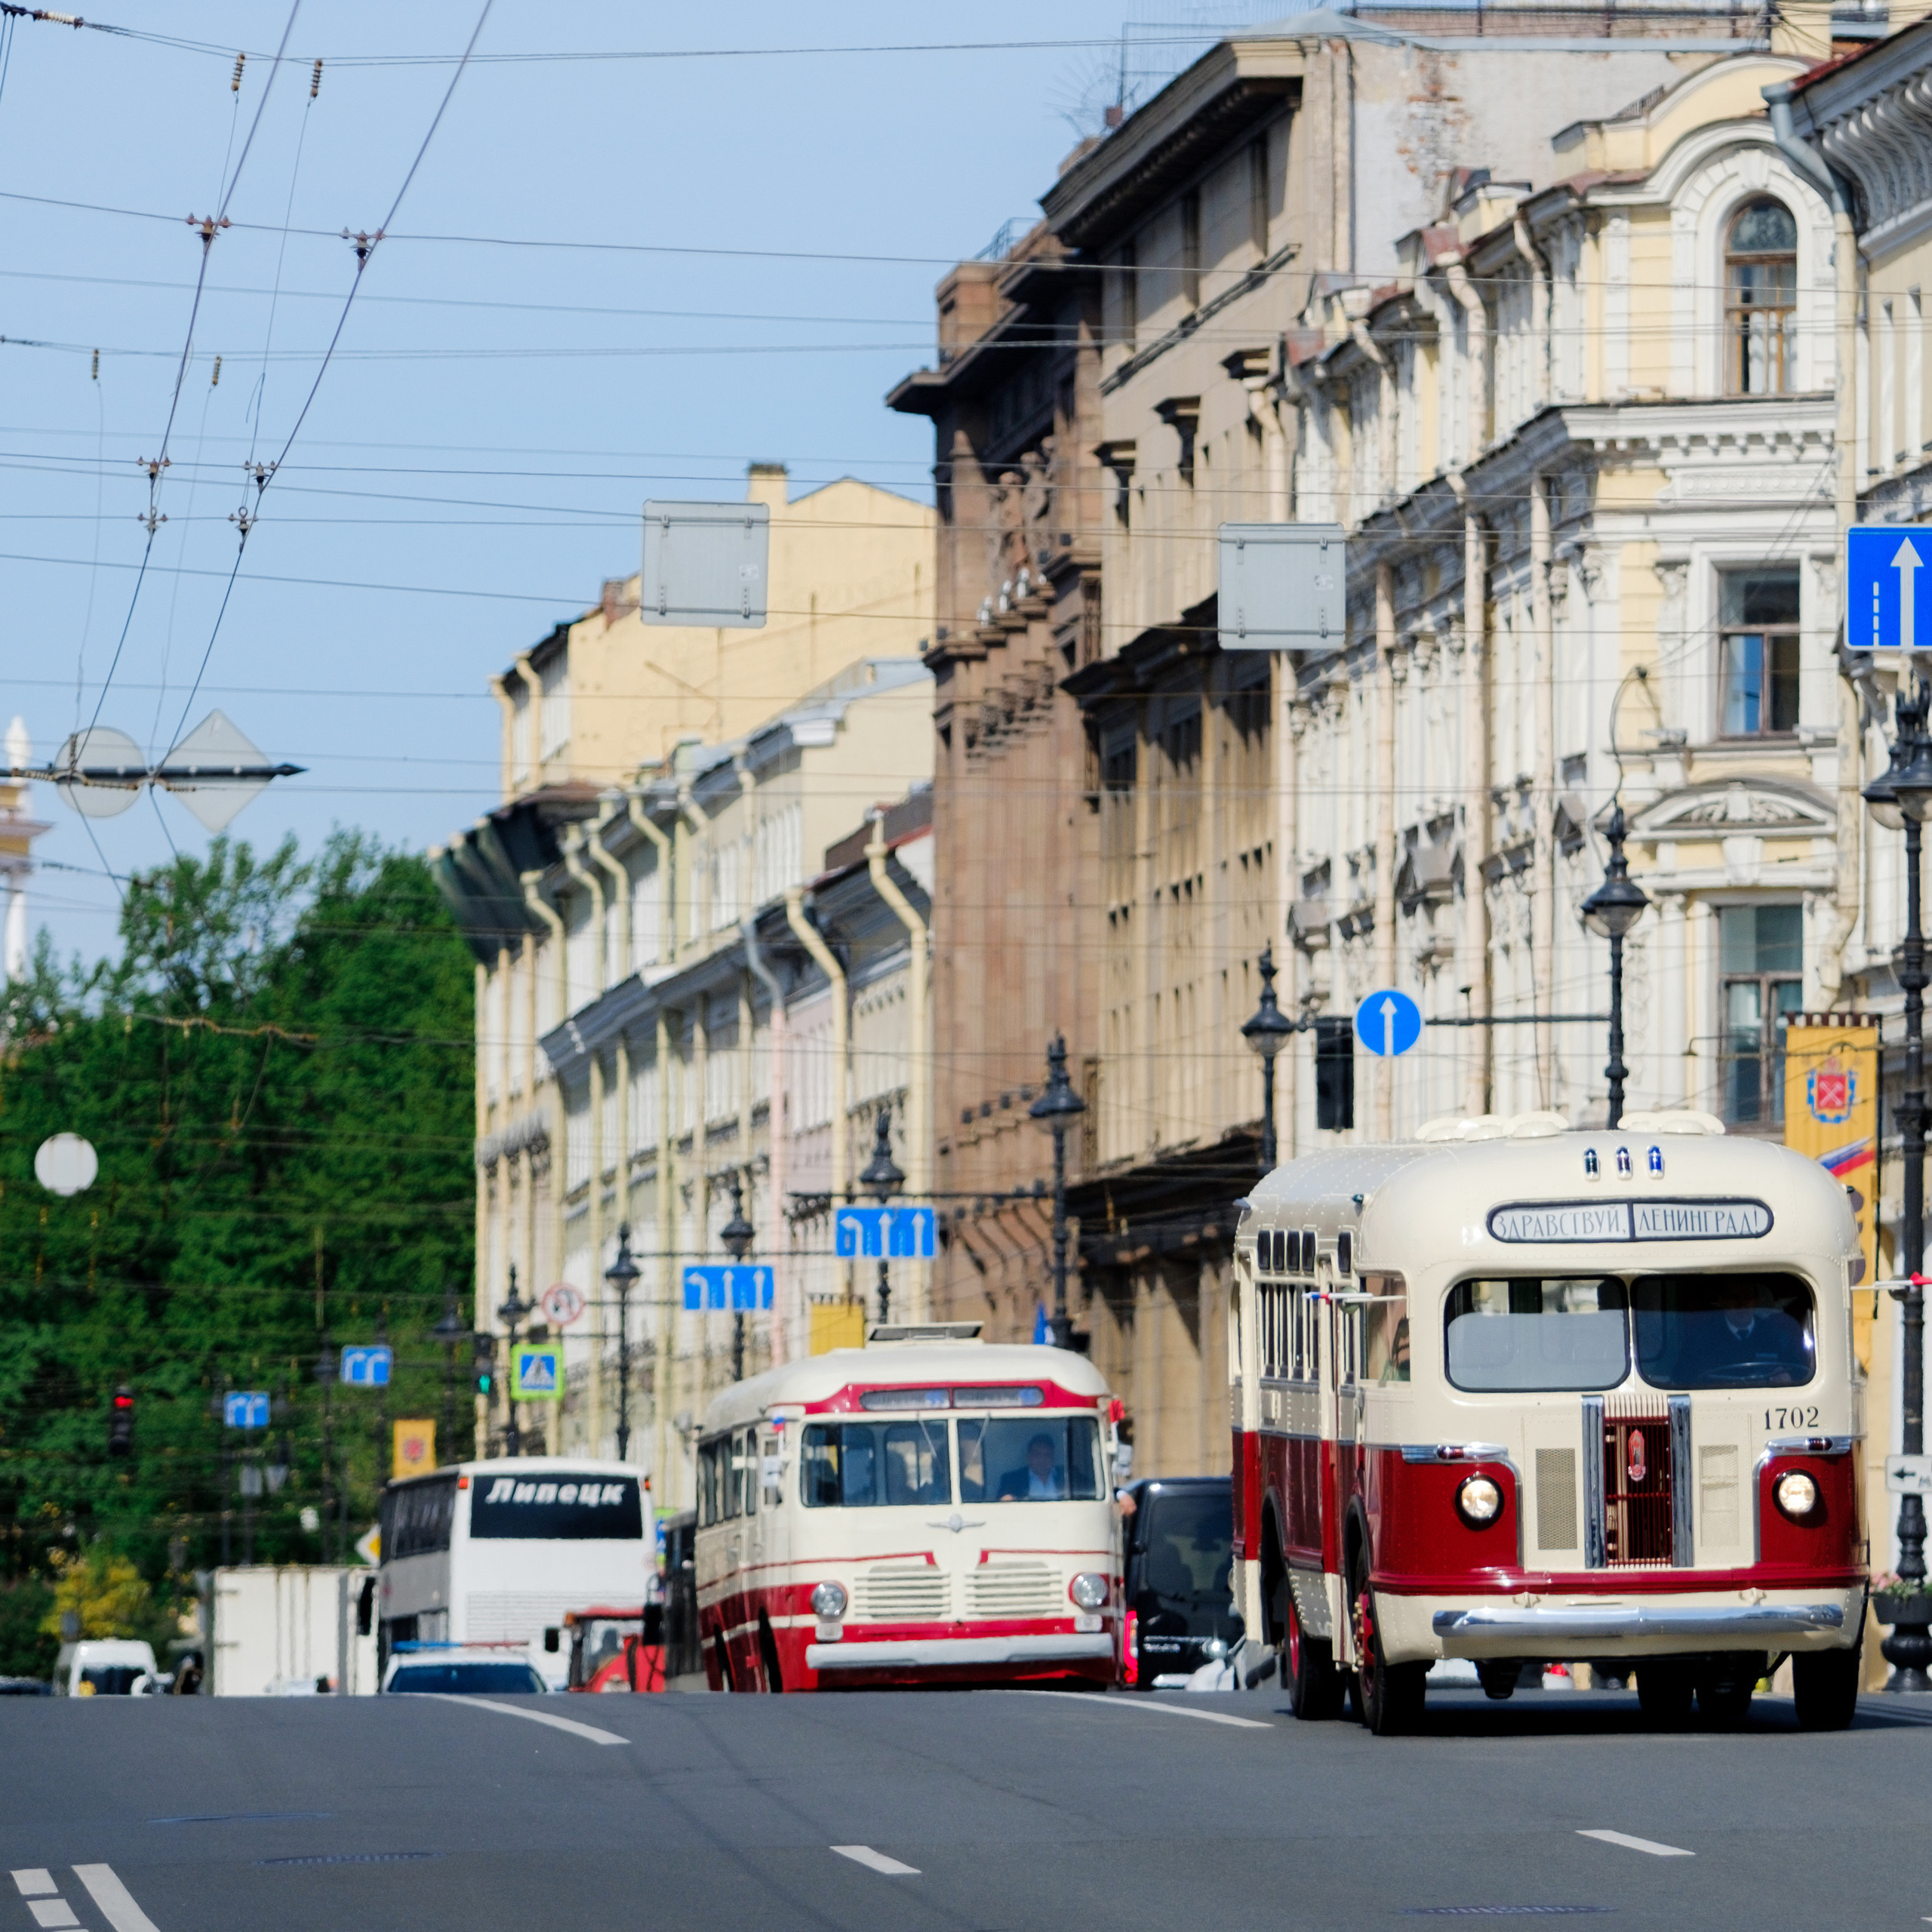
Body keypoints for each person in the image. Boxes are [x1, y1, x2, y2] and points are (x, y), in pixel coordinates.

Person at [997, 1432, 1064, 1500]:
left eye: (1047, 1455)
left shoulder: (1065, 1476)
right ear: (1028, 1456)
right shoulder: (1012, 1480)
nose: (1042, 1459)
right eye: (1037, 1455)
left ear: (1053, 1456)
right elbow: (1001, 1504)